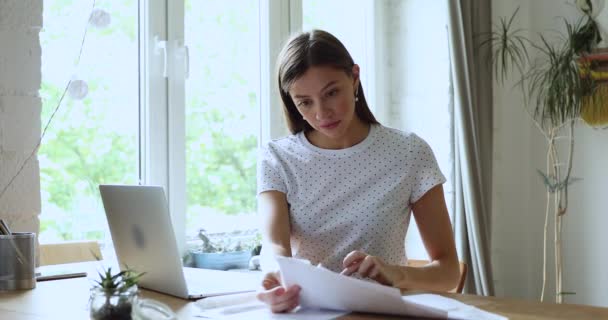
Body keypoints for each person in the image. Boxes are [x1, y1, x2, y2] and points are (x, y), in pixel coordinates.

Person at [256, 29, 460, 313]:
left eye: (332, 92)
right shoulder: (277, 158)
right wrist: (274, 278)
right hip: (310, 313)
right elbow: (274, 246)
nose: (322, 112)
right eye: (305, 101)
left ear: (354, 78)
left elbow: (449, 272)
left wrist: (395, 274)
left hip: (381, 313)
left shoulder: (409, 152)